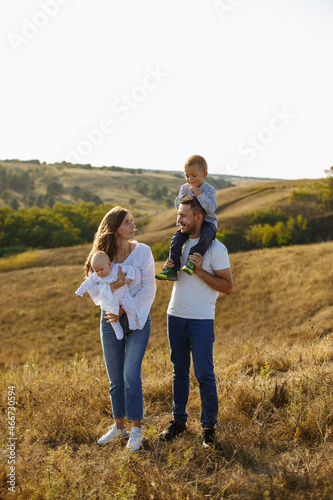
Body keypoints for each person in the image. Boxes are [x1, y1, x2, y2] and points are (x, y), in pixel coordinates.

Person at [159, 197, 233, 448]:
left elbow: (228, 287)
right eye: (178, 215)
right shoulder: (177, 244)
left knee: (204, 374)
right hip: (175, 316)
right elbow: (179, 279)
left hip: (201, 320)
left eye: (183, 216)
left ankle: (209, 429)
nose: (178, 220)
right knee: (178, 372)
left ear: (198, 217)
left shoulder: (216, 248)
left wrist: (200, 270)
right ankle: (178, 422)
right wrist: (171, 268)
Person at [84, 206, 156, 452]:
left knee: (130, 374)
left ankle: (136, 430)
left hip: (138, 318)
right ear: (115, 229)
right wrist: (114, 290)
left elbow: (148, 289)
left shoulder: (143, 252)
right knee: (115, 378)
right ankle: (119, 427)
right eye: (127, 222)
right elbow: (94, 292)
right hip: (110, 320)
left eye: (132, 221)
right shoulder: (102, 256)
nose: (133, 226)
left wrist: (125, 309)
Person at [155, 154, 217, 281]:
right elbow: (177, 205)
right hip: (189, 225)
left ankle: (191, 263)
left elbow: (211, 208)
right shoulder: (184, 188)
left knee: (206, 237)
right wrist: (182, 199)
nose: (190, 179)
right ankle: (172, 269)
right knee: (176, 239)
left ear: (204, 174)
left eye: (194, 176)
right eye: (187, 175)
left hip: (207, 223)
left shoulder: (209, 190)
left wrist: (199, 194)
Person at [75, 250, 136, 340]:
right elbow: (87, 283)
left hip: (123, 294)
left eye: (101, 270)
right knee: (110, 314)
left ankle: (132, 321)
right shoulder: (96, 276)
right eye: (96, 271)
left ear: (109, 264)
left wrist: (129, 278)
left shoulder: (117, 268)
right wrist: (80, 291)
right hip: (110, 299)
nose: (99, 273)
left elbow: (130, 269)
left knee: (130, 306)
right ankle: (118, 331)